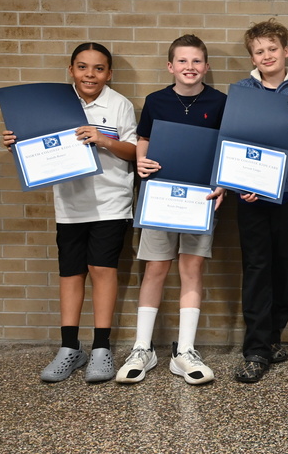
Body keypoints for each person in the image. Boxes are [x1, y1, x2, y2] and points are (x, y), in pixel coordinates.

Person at [3, 43, 137, 383]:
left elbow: (134, 151)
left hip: (111, 203)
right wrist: (18, 144)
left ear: (109, 73)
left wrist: (104, 139)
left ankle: (102, 349)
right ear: (71, 69)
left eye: (98, 68)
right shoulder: (54, 103)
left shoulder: (119, 104)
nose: (89, 74)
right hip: (69, 205)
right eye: (82, 67)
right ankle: (69, 348)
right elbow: (40, 150)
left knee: (101, 269)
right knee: (71, 274)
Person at [115, 34, 227, 385]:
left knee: (192, 268)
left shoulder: (221, 102)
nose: (189, 68)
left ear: (206, 66)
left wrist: (222, 183)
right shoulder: (156, 101)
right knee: (155, 269)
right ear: (170, 66)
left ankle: (185, 352)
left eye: (196, 61)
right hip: (160, 196)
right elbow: (143, 140)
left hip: (200, 200)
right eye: (182, 61)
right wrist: (141, 162)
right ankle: (142, 348)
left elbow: (226, 146)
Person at [231, 19, 288, 383]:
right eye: (259, 51)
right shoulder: (240, 90)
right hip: (250, 196)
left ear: (285, 51)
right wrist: (238, 183)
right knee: (256, 269)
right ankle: (255, 349)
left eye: (272, 49)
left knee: (283, 269)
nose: (266, 55)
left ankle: (272, 336)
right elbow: (231, 140)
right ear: (252, 56)